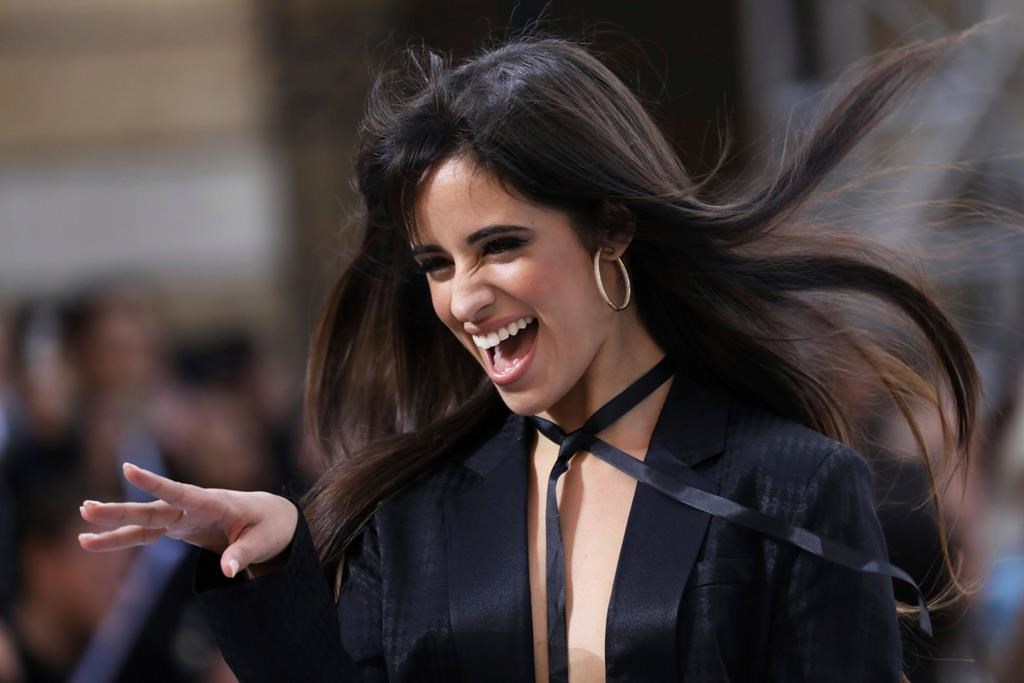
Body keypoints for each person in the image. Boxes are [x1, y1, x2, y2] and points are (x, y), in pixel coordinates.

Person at [78, 33, 982, 682]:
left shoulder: (792, 484)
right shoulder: (411, 515)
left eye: (500, 245)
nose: (465, 297)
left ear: (611, 229)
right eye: (438, 263)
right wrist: (276, 567)